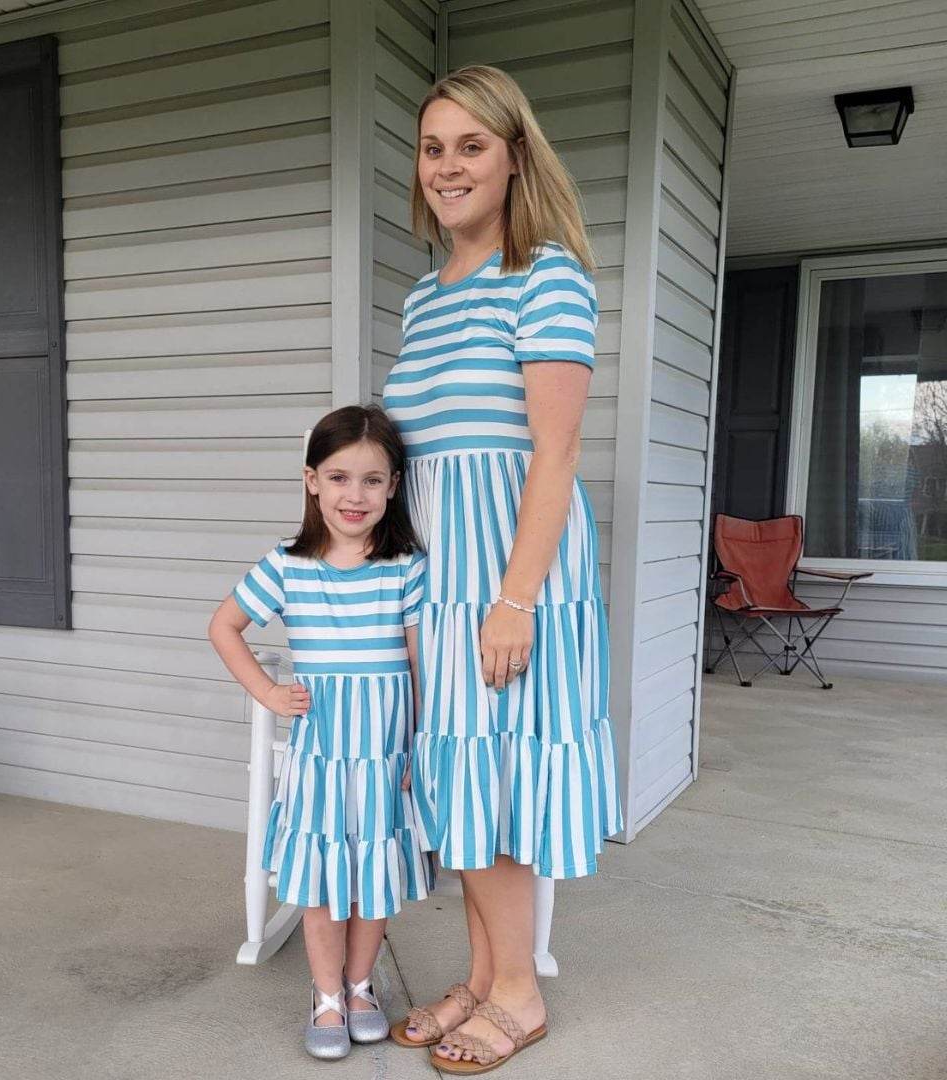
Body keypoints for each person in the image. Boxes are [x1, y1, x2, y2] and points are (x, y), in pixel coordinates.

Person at [383, 65, 623, 1072]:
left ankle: (518, 994)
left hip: (510, 575)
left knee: (498, 780)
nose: (448, 167)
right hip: (436, 576)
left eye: (471, 146)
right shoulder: (420, 298)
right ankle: (482, 979)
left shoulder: (547, 276)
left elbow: (554, 456)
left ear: (515, 156)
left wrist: (514, 599)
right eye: (433, 147)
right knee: (461, 779)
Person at [207, 405, 434, 1061]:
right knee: (322, 876)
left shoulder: (405, 566)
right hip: (322, 752)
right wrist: (268, 692)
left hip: (385, 751)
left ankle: (361, 987)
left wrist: (419, 743)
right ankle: (327, 994)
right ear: (312, 481)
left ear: (393, 486)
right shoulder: (288, 565)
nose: (353, 495)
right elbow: (224, 626)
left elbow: (418, 662)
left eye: (371, 480)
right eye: (338, 477)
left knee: (373, 872)